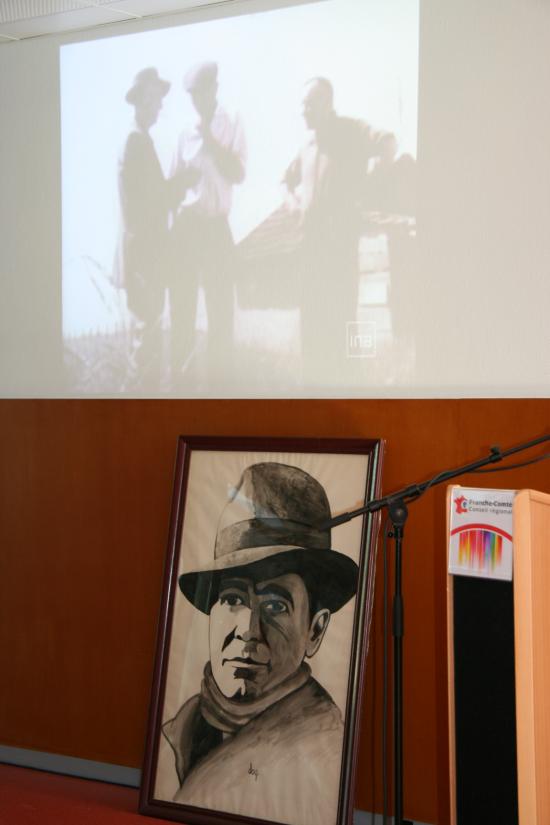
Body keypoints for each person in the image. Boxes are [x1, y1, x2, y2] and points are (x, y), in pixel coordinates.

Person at [162, 462, 359, 825]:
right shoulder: (183, 725)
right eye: (234, 600)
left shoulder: (321, 751)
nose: (248, 631)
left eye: (274, 605)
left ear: (315, 630)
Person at [283, 77, 385, 381]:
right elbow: (284, 181)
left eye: (310, 104)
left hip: (340, 246)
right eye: (301, 104)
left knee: (341, 320)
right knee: (312, 322)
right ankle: (312, 392)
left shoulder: (350, 131)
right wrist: (292, 203)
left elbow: (385, 143)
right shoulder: (306, 144)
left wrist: (368, 187)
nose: (303, 110)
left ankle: (348, 391)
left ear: (328, 104)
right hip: (310, 247)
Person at [169, 61, 246, 387]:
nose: (196, 101)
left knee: (220, 312)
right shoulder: (184, 130)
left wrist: (212, 142)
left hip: (216, 226)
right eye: (191, 96)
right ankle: (181, 388)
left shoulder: (232, 121)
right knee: (182, 310)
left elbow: (238, 173)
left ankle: (221, 390)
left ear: (214, 88)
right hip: (187, 228)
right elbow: (174, 183)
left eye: (201, 93)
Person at [114, 67, 184, 385]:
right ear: (142, 100)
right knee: (145, 342)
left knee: (147, 336)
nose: (159, 107)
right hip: (144, 258)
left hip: (145, 257)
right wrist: (184, 181)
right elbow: (150, 203)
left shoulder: (140, 141)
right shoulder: (136, 142)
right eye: (155, 99)